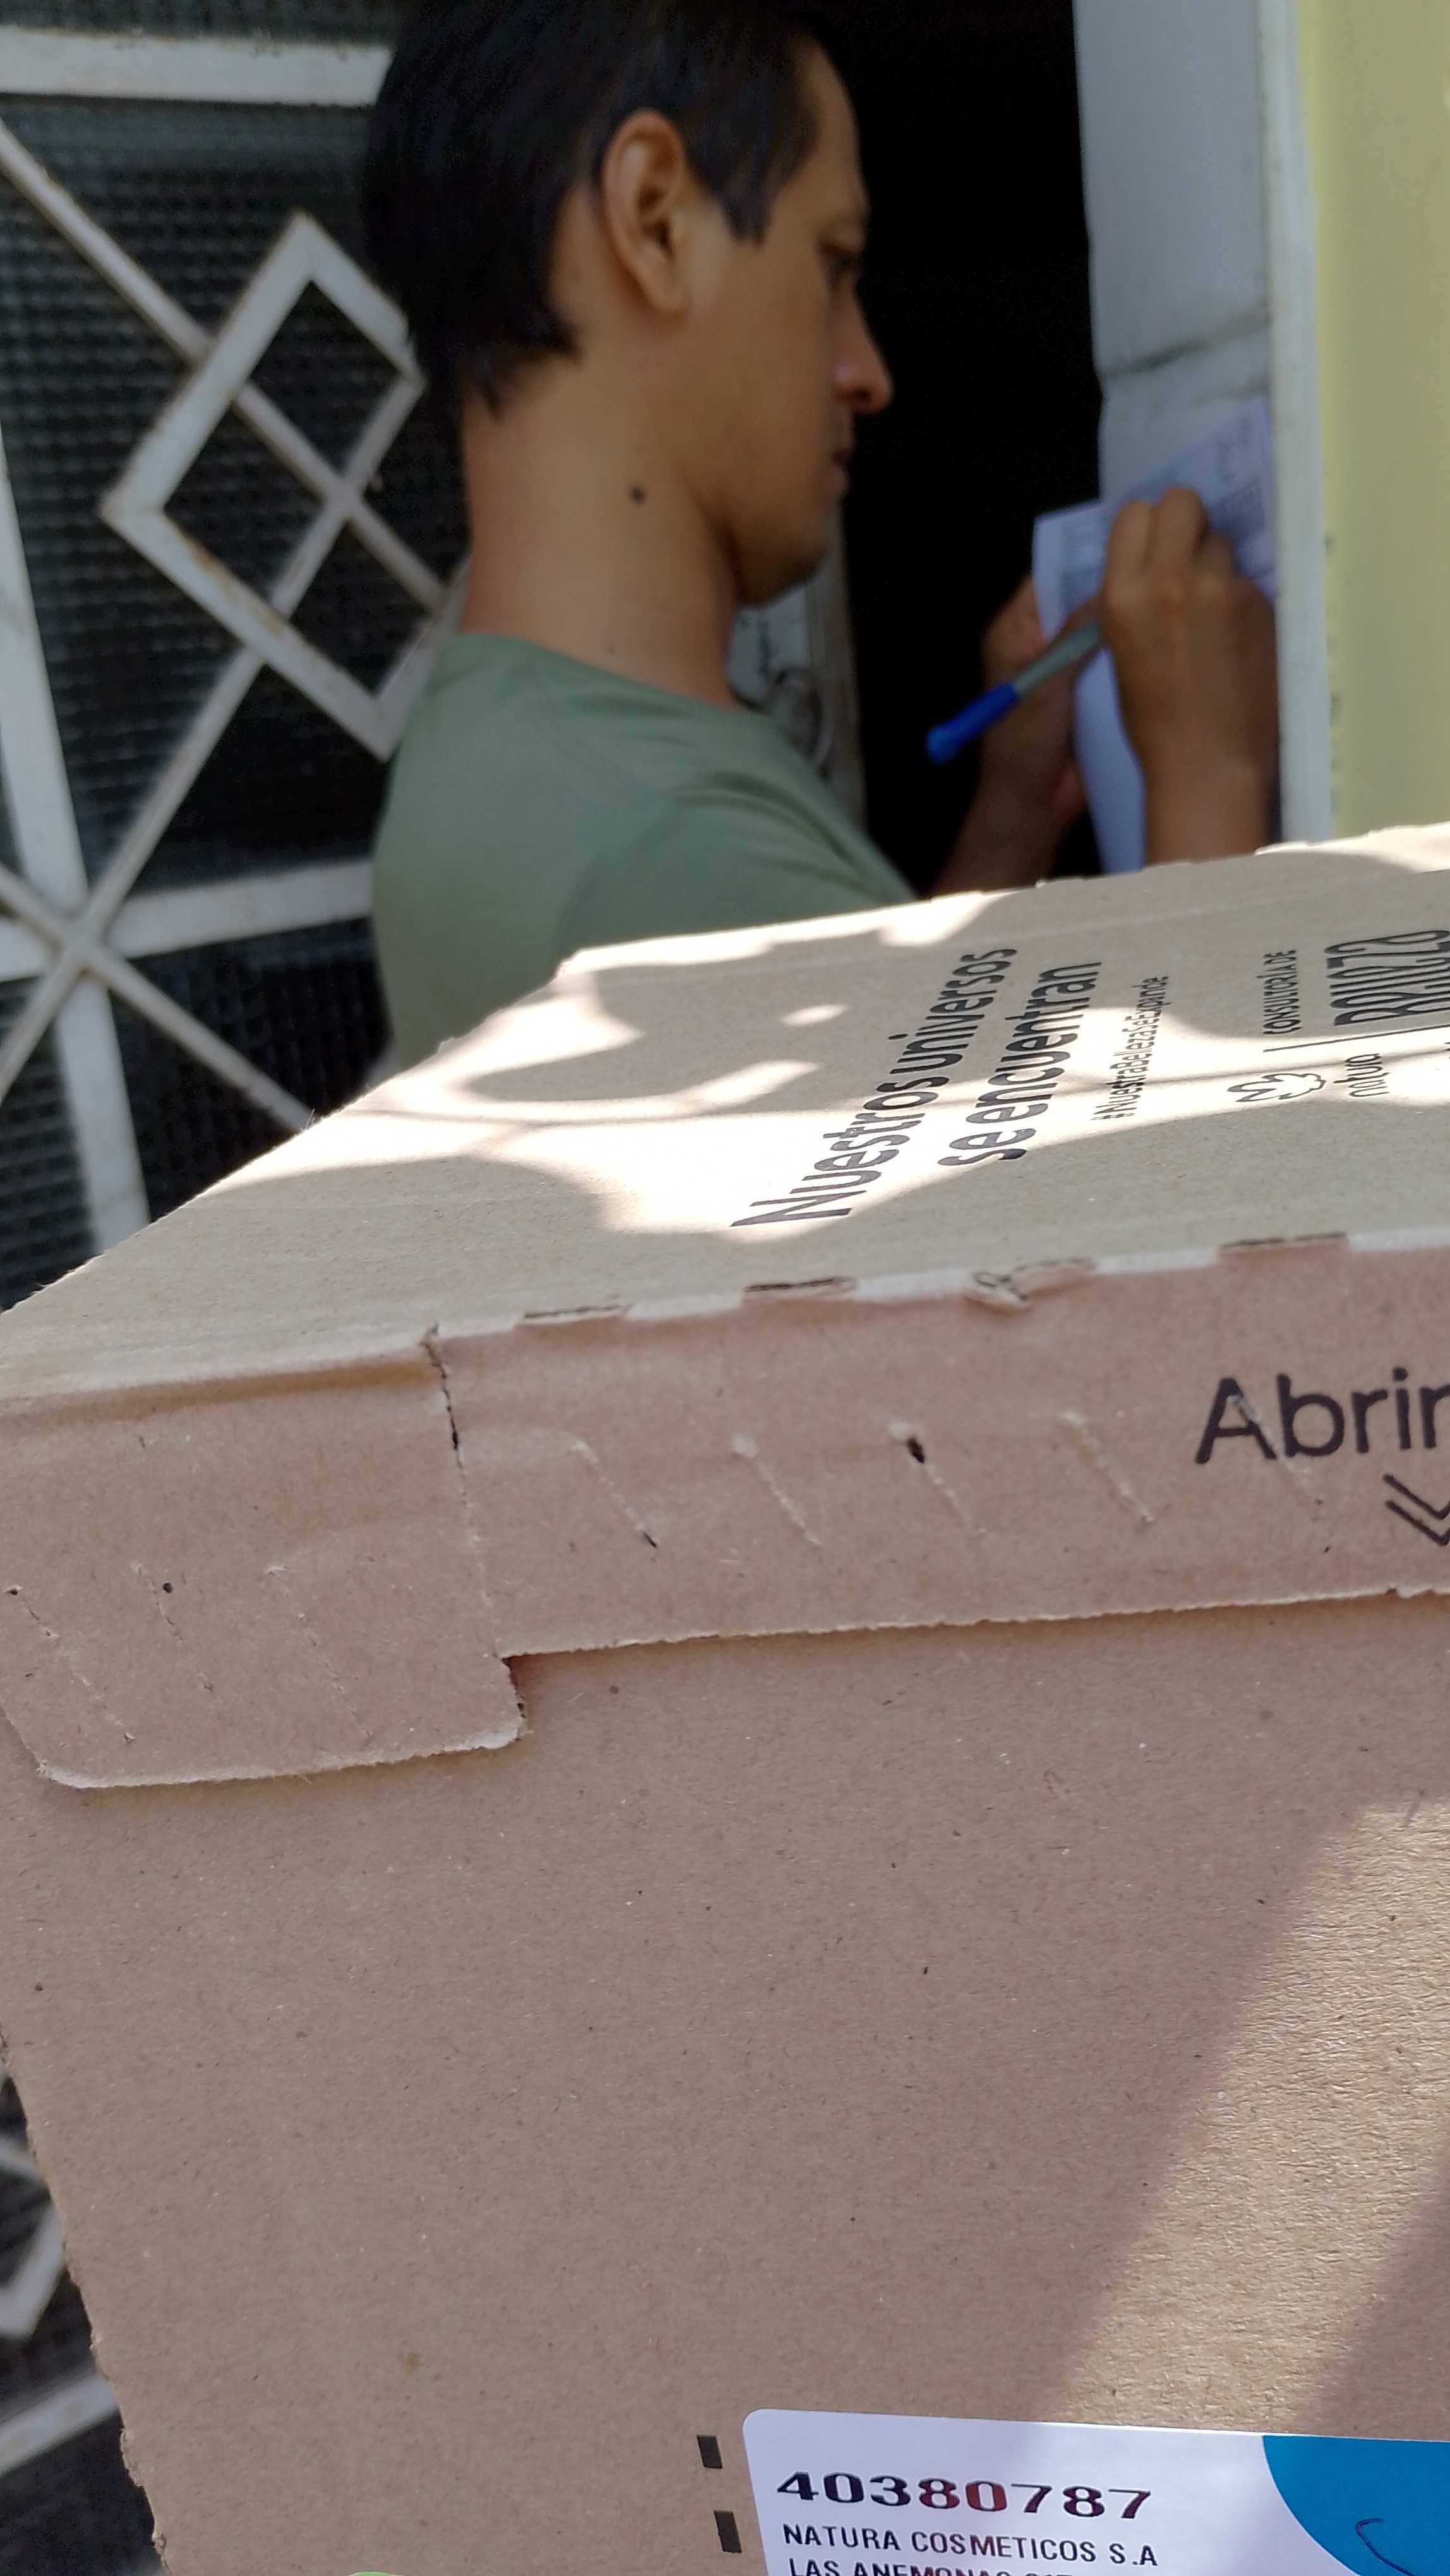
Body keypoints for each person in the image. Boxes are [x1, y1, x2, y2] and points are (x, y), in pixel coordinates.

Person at [364, 0, 1279, 1068]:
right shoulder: (669, 860)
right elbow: (1173, 1171)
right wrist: (1211, 786)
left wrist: (1012, 821)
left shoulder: (504, 739)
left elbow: (882, 1081)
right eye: (833, 267)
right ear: (656, 220)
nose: (867, 372)